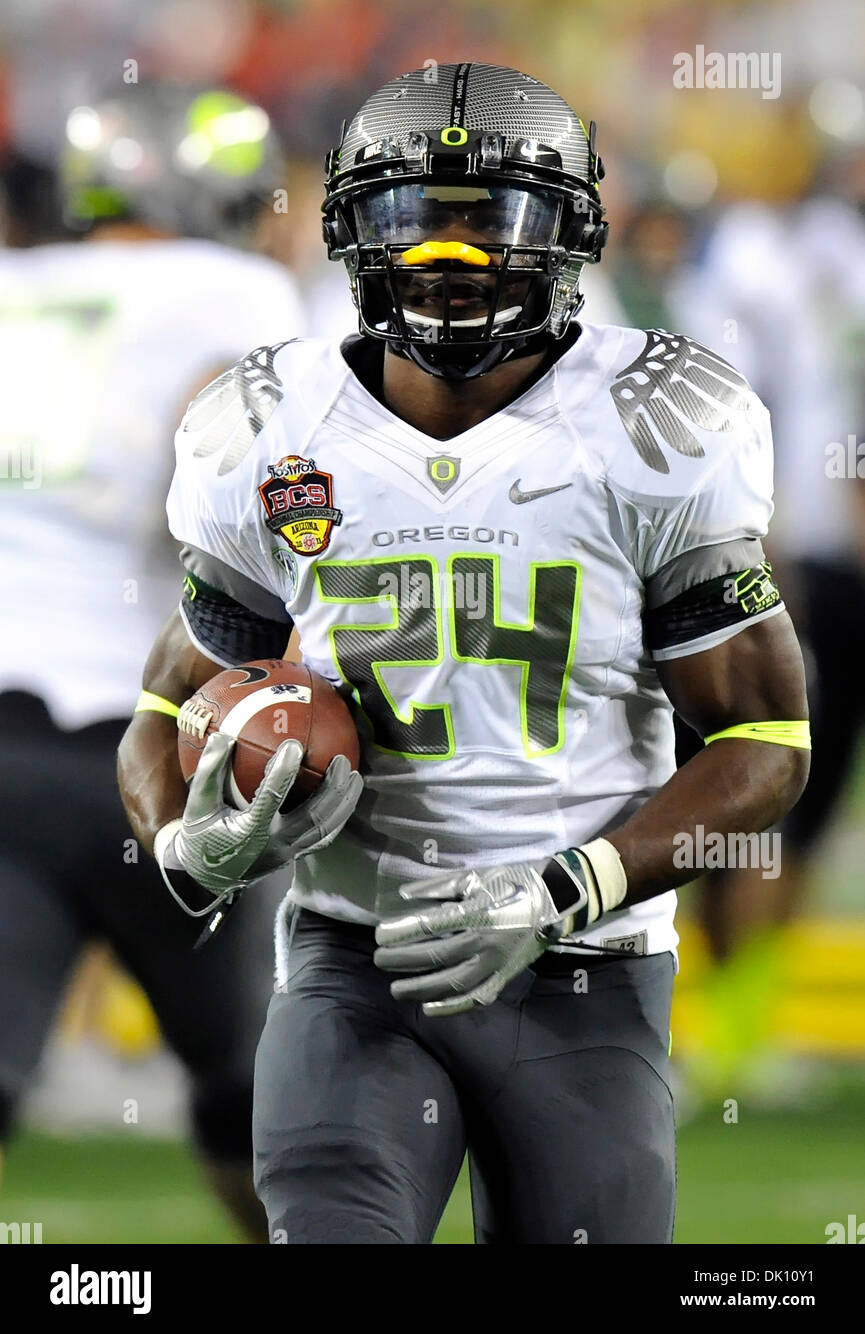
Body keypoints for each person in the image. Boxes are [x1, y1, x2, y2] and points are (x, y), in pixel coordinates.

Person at [119, 62, 810, 1245]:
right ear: (349, 231)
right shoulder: (269, 426)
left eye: (491, 217)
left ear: (570, 230)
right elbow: (164, 703)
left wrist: (561, 889)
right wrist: (186, 841)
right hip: (353, 964)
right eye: (412, 218)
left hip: (584, 973)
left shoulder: (652, 418)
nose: (450, 257)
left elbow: (764, 740)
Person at [0, 81, 304, 1238]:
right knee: (265, 1097)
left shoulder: (14, 285)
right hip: (158, 739)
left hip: (4, 734)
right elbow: (228, 499)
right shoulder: (231, 292)